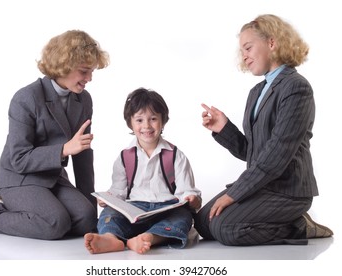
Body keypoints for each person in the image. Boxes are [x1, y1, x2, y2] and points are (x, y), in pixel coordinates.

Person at [194, 14, 333, 246]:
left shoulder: (296, 87)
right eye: (242, 51)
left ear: (271, 43)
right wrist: (224, 128)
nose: (244, 56)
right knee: (203, 223)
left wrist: (235, 194)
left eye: (248, 47)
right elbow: (254, 152)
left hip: (288, 191)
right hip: (263, 186)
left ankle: (297, 225)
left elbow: (276, 156)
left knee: (225, 228)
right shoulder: (256, 92)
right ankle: (284, 222)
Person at [0, 30, 110, 240]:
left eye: (92, 72)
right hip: (19, 177)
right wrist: (64, 150)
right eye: (84, 71)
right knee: (55, 223)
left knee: (86, 220)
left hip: (53, 177)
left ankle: (57, 213)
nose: (90, 78)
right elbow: (19, 159)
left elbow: (83, 153)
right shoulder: (25, 98)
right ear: (64, 66)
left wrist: (90, 202)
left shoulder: (84, 100)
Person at [84, 88, 201, 254]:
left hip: (166, 209)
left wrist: (191, 198)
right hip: (134, 209)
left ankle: (149, 237)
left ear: (163, 121)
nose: (146, 125)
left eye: (153, 119)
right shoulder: (125, 157)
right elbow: (118, 191)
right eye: (139, 120)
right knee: (109, 214)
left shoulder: (176, 155)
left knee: (183, 218)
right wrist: (108, 199)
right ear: (130, 122)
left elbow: (186, 190)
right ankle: (111, 238)